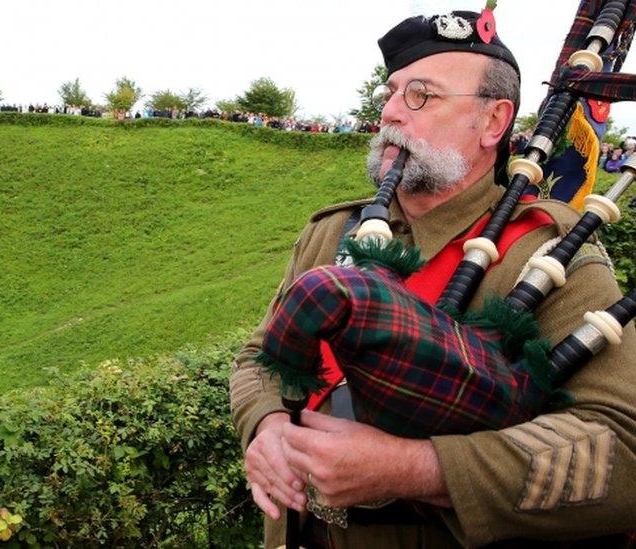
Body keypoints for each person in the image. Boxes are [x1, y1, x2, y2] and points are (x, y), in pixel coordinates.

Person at [230, 9, 636, 548]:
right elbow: (261, 356)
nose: (392, 113)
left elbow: (621, 450)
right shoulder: (332, 231)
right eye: (391, 92)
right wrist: (267, 426)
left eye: (421, 95)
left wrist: (417, 467)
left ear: (494, 121)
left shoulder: (547, 251)